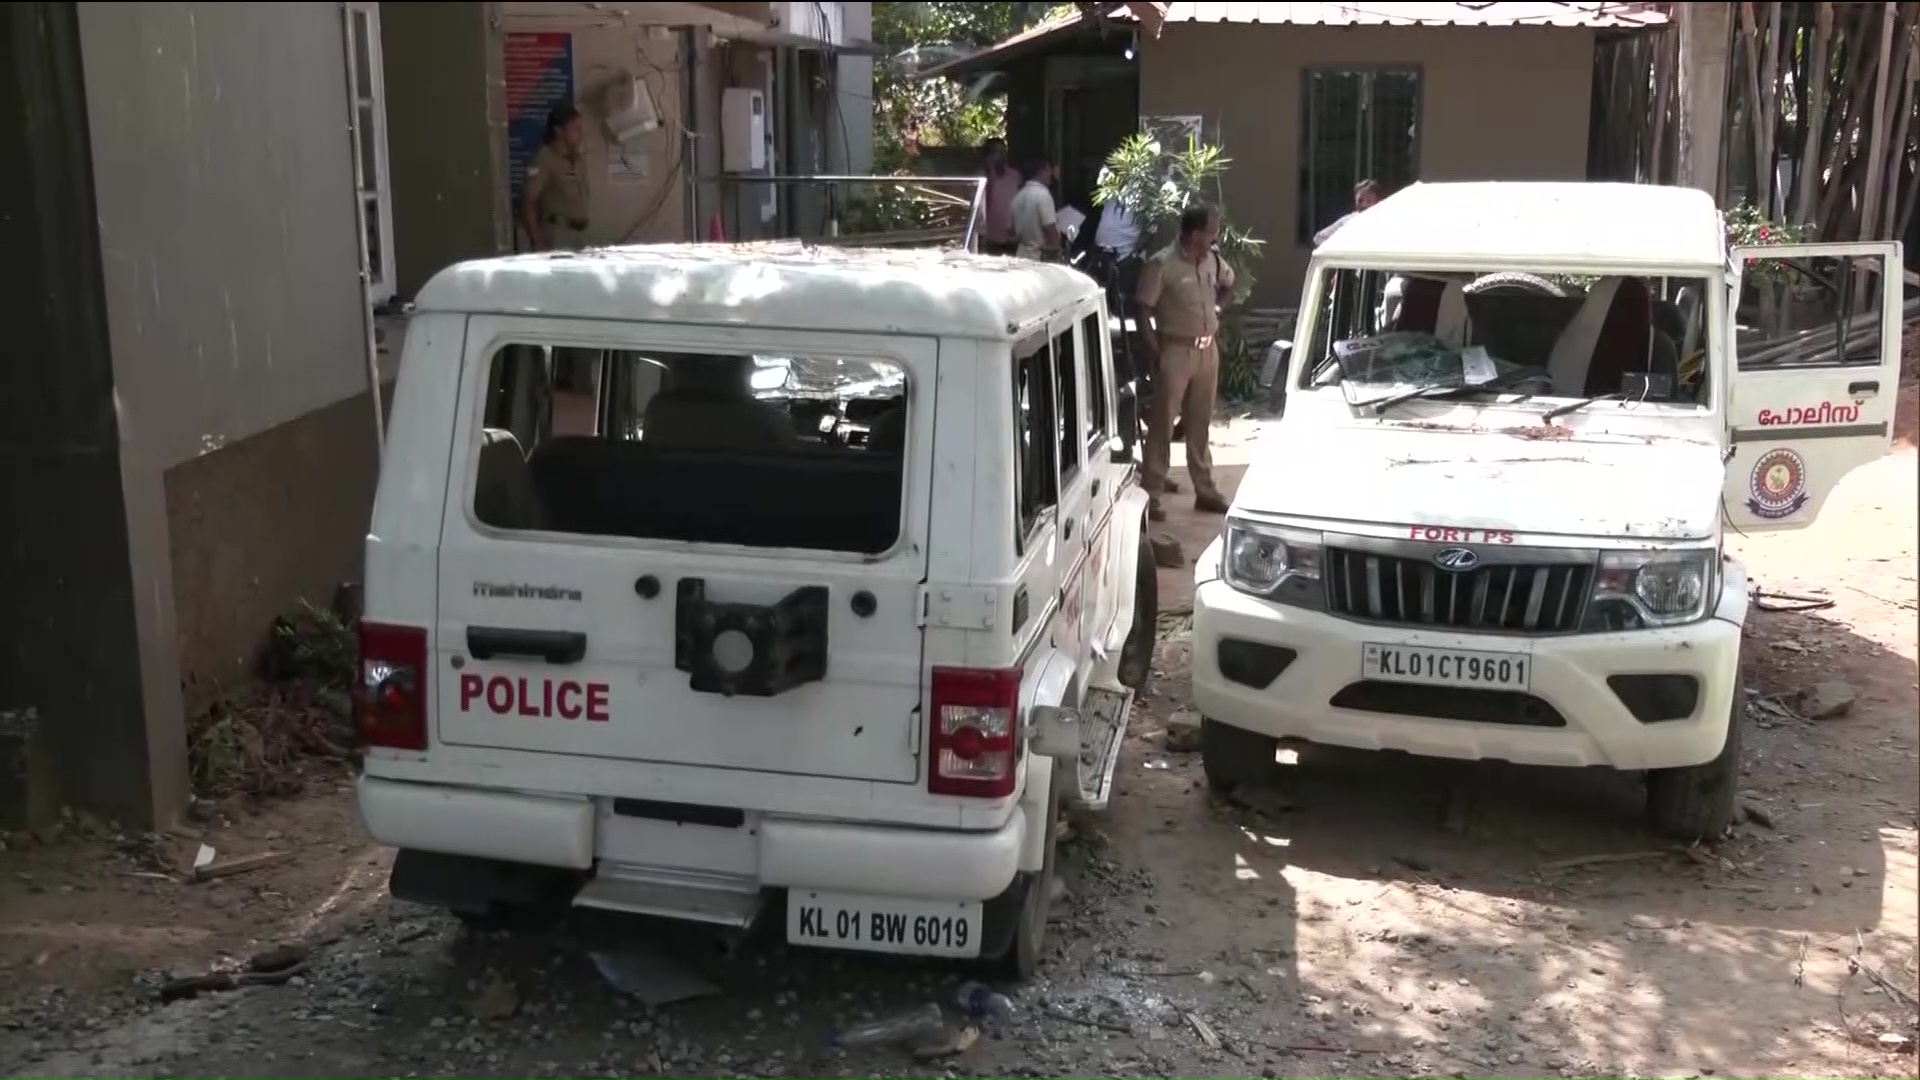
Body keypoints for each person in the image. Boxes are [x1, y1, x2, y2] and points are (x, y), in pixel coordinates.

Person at [1136, 202, 1234, 522]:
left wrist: (1218, 309)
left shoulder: (1213, 260)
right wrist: (1155, 352)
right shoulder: (1162, 264)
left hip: (1208, 351)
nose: (1215, 236)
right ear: (1194, 234)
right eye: (1211, 231)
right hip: (1175, 350)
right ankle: (1150, 493)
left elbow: (1228, 285)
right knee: (1163, 423)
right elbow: (1143, 309)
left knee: (1200, 422)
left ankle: (1205, 490)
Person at [520, 104, 591, 252]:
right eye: (574, 128)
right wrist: (537, 239)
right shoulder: (545, 158)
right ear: (558, 131)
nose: (580, 133)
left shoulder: (578, 158)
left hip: (580, 234)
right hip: (557, 235)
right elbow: (528, 201)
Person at [1009, 158, 1061, 261]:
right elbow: (1050, 228)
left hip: (1021, 255)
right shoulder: (1042, 195)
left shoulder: (1018, 195)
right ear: (1043, 170)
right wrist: (1058, 251)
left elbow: (1012, 230)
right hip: (1039, 256)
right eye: (1050, 171)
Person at [978, 139, 1022, 256]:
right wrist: (991, 174)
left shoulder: (1014, 176)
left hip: (1011, 236)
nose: (1000, 155)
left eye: (1003, 151)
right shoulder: (980, 179)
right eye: (996, 152)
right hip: (989, 238)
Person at [1312, 178, 1384, 247]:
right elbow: (1319, 238)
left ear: (1377, 201)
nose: (1364, 205)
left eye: (1369, 201)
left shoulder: (1385, 222)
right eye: (1360, 200)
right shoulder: (1347, 221)